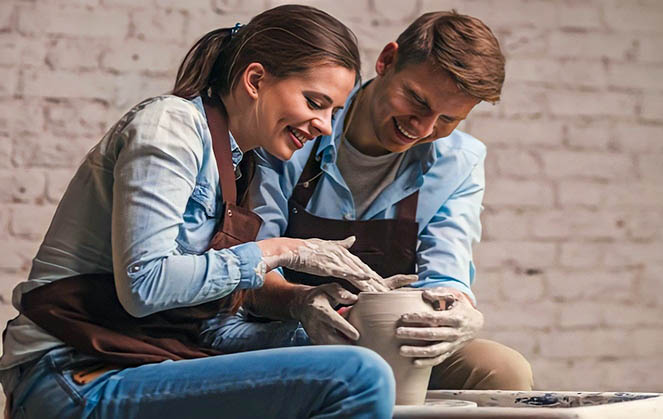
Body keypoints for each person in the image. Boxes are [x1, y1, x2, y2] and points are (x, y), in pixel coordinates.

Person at [0, 5, 411, 419]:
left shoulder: (239, 163)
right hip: (72, 371)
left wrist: (311, 312)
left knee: (351, 346)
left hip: (146, 356)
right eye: (315, 102)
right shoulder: (171, 127)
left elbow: (206, 328)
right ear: (255, 80)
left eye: (333, 112)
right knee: (358, 375)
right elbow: (146, 287)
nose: (324, 125)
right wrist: (283, 250)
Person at [239, 10, 534, 390]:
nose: (423, 128)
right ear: (387, 60)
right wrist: (299, 302)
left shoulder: (458, 161)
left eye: (448, 119)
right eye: (417, 100)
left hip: (393, 339)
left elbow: (445, 276)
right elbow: (250, 268)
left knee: (502, 370)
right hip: (290, 332)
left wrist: (460, 309)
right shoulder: (298, 127)